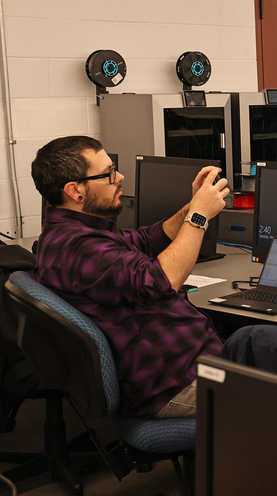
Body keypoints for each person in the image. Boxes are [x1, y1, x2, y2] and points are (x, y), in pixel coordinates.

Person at [31, 136, 228, 419]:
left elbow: (148, 239)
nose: (120, 177)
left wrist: (192, 205)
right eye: (108, 173)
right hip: (175, 384)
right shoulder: (79, 247)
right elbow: (163, 280)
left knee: (264, 342)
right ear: (75, 190)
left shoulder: (80, 231)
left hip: (194, 364)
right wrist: (198, 217)